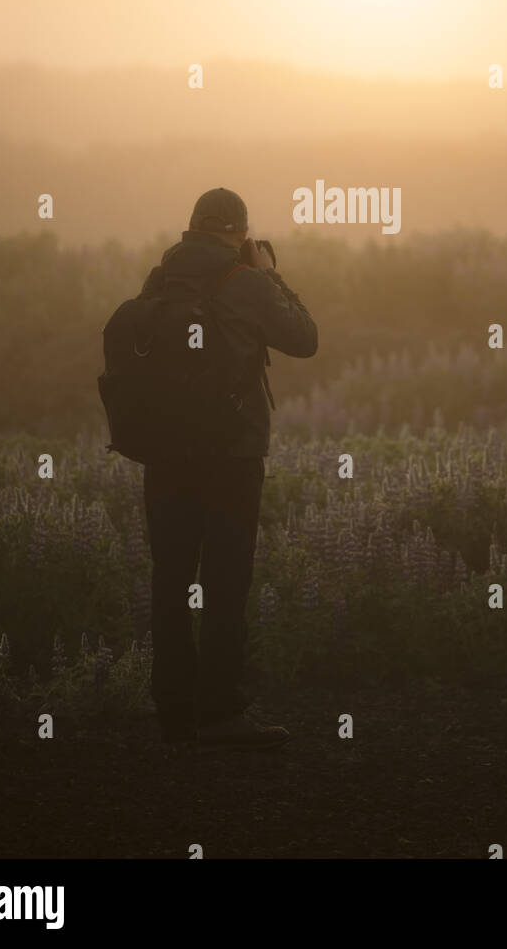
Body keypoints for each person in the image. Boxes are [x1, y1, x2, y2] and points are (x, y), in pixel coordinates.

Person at [138, 187, 318, 748]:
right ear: (240, 233)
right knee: (224, 582)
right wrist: (270, 274)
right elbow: (305, 339)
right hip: (231, 455)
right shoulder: (246, 282)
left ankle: (172, 714)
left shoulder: (158, 278)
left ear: (191, 227)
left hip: (164, 454)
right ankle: (219, 714)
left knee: (170, 580)